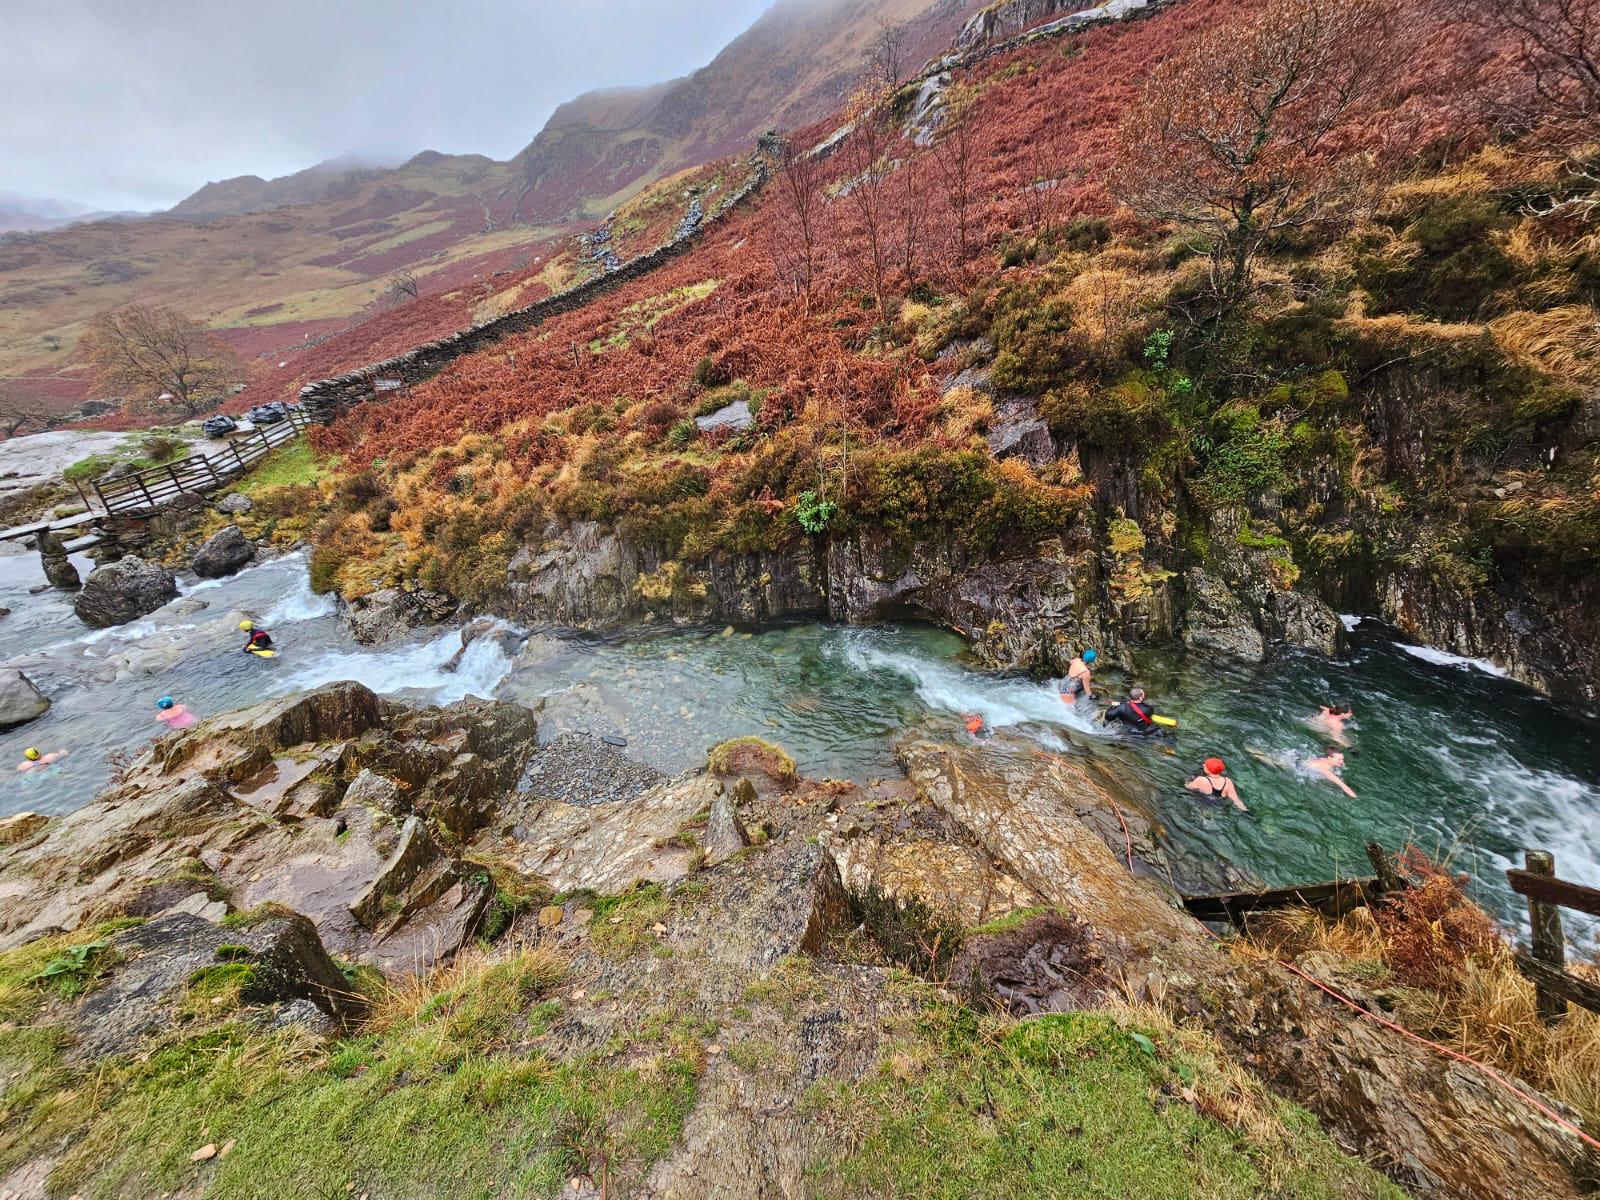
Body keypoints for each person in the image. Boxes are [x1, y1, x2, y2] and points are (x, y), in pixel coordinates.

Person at [1103, 687, 1174, 734]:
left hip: (1129, 731)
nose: (1144, 695)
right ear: (1140, 698)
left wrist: (1113, 706)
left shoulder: (1121, 707)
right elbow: (1151, 717)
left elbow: (1108, 716)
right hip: (1143, 732)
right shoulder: (1148, 709)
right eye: (1143, 695)